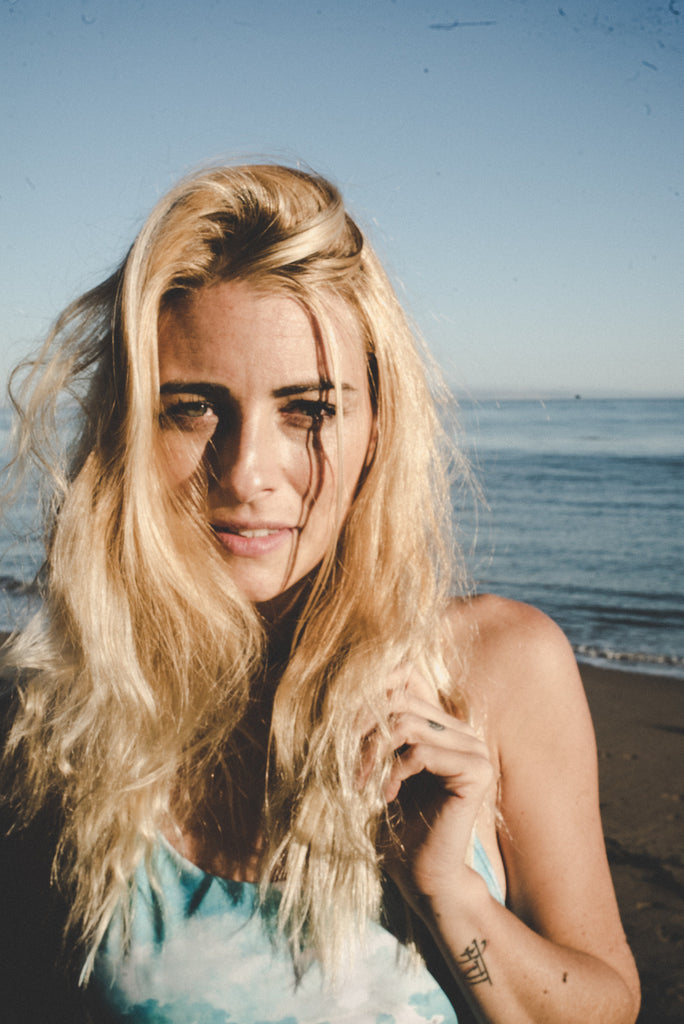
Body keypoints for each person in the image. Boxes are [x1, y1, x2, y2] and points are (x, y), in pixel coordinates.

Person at [0, 163, 639, 1023]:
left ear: (376, 424)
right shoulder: (59, 722)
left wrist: (453, 895)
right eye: (191, 407)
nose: (248, 473)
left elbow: (606, 1005)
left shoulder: (499, 668)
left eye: (307, 410)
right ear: (129, 427)